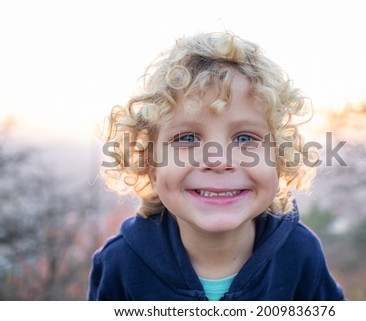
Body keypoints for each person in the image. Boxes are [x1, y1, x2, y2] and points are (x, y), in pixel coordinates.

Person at [88, 32, 344, 301]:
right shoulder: (120, 265)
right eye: (187, 138)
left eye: (245, 138)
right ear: (150, 163)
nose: (218, 161)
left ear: (280, 158)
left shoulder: (300, 255)